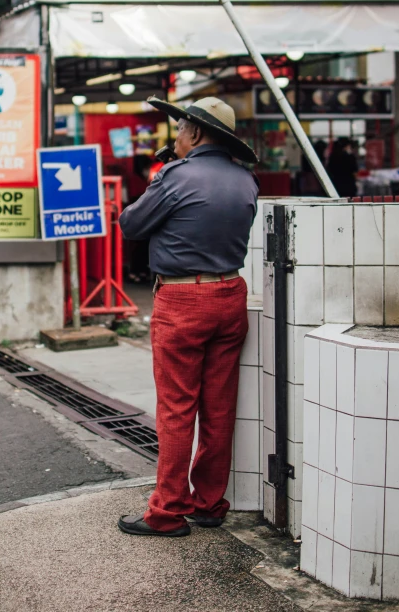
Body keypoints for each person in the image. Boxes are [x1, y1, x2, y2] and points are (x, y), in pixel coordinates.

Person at [118, 96, 258, 537]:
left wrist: (158, 181)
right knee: (219, 407)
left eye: (179, 129)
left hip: (183, 301)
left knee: (177, 409)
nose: (175, 136)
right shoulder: (245, 179)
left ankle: (167, 511)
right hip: (231, 294)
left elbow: (130, 225)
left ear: (196, 132)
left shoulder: (175, 177)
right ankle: (210, 503)